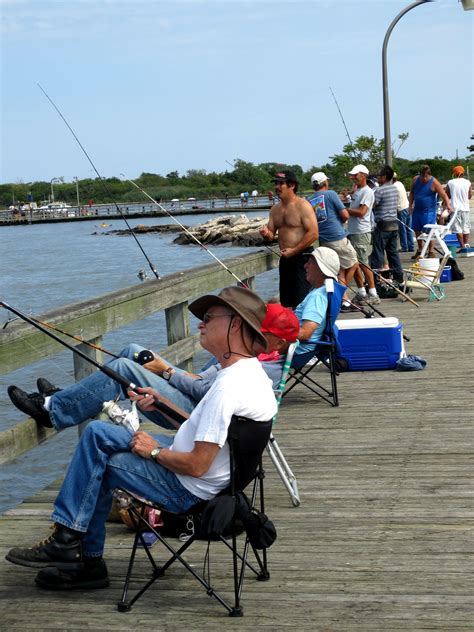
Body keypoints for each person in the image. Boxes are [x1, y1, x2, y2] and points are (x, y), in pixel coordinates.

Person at [5, 287, 278, 591]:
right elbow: (208, 432)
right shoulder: (249, 375)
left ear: (235, 324)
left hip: (187, 489)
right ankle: (74, 547)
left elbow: (198, 464)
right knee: (98, 438)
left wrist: (154, 452)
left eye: (209, 317)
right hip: (213, 479)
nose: (201, 323)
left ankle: (79, 552)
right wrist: (160, 401)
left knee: (100, 458)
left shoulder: (229, 388)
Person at [8, 304, 299, 433]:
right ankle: (69, 397)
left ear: (276, 339)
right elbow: (206, 377)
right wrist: (171, 372)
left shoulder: (264, 368)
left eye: (260, 330)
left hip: (196, 415)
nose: (251, 332)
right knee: (133, 351)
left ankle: (53, 409)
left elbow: (207, 391)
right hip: (199, 394)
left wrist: (167, 372)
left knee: (124, 368)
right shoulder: (249, 353)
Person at [260, 171, 319, 309]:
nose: (277, 187)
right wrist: (265, 233)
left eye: (281, 184)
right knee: (287, 301)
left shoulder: (303, 206)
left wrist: (294, 250)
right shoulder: (275, 209)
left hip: (303, 258)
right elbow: (270, 236)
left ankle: (305, 329)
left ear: (292, 185)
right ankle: (293, 328)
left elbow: (314, 233)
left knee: (303, 300)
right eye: (276, 184)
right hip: (286, 260)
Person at [308, 172, 358, 310]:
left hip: (323, 240)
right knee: (354, 264)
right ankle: (337, 294)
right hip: (337, 236)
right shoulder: (331, 194)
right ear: (325, 183)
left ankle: (344, 301)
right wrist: (341, 221)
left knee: (339, 270)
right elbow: (345, 215)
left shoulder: (309, 200)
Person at [293, 247, 340, 359]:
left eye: (310, 262)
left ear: (321, 268)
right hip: (293, 347)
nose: (305, 266)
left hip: (295, 351)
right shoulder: (320, 291)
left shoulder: (318, 297)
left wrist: (275, 332)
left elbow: (305, 333)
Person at [345, 165, 380, 306]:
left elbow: (361, 212)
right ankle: (361, 292)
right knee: (354, 263)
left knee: (364, 263)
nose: (353, 177)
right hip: (353, 232)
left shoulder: (367, 191)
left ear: (363, 175)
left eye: (356, 175)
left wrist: (344, 209)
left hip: (362, 232)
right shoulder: (358, 191)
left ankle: (373, 293)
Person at [409, 165, 451, 259]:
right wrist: (410, 205)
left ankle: (431, 251)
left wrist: (448, 205)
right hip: (417, 210)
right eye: (422, 175)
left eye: (426, 176)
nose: (424, 178)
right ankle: (420, 250)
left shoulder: (434, 182)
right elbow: (411, 193)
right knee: (417, 230)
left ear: (429, 175)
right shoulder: (416, 179)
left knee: (430, 232)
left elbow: (443, 194)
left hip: (429, 212)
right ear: (420, 174)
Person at [370, 165, 403, 284]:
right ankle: (398, 276)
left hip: (382, 224)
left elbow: (372, 205)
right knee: (392, 252)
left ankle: (376, 279)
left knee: (378, 252)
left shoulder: (380, 190)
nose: (377, 178)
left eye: (379, 176)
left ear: (384, 177)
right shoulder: (394, 188)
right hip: (394, 223)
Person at [446, 165, 472, 252]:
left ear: (454, 173)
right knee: (466, 228)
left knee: (458, 229)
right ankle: (466, 244)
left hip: (455, 209)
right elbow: (469, 196)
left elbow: (447, 195)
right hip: (465, 208)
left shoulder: (450, 182)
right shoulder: (468, 182)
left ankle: (462, 247)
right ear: (463, 173)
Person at [393, 172, 414, 252]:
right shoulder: (400, 183)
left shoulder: (393, 186)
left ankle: (404, 247)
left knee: (402, 229)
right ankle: (411, 246)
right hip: (407, 206)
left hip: (401, 208)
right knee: (408, 228)